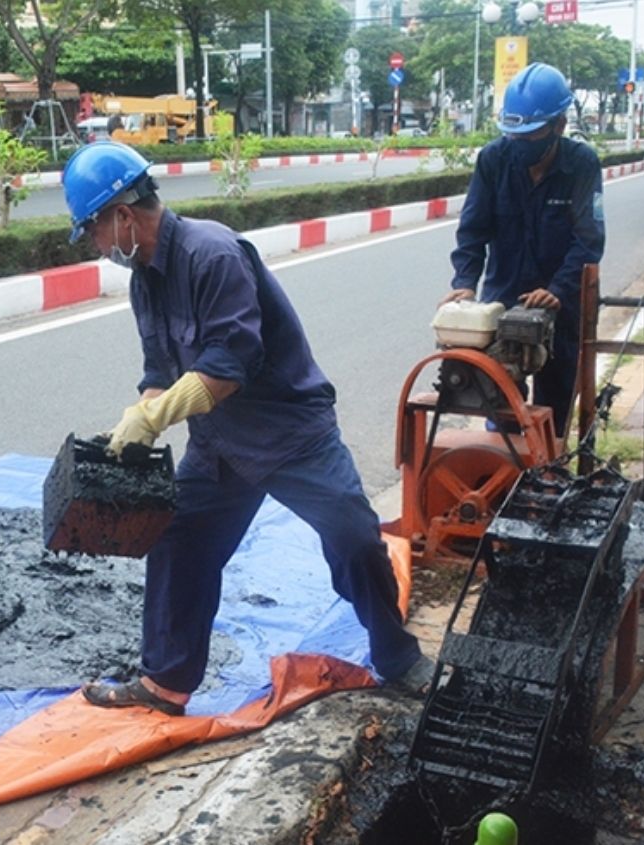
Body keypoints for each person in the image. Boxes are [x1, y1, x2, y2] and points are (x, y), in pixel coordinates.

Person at [62, 142, 430, 717]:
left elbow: (228, 368)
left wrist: (154, 417)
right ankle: (166, 683)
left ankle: (399, 657)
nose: (95, 244)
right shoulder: (145, 279)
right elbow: (160, 371)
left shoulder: (214, 255)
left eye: (92, 229)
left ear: (123, 216)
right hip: (221, 443)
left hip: (290, 433)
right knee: (178, 542)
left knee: (354, 537)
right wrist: (139, 421)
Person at [442, 62, 605, 437]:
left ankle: (550, 475)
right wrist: (465, 282)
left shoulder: (581, 164)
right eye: (514, 136)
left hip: (560, 303)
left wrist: (558, 291)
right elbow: (473, 229)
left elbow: (589, 239)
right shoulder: (493, 160)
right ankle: (506, 480)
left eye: (530, 136)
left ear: (559, 126)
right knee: (499, 404)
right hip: (503, 295)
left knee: (553, 411)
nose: (520, 145)